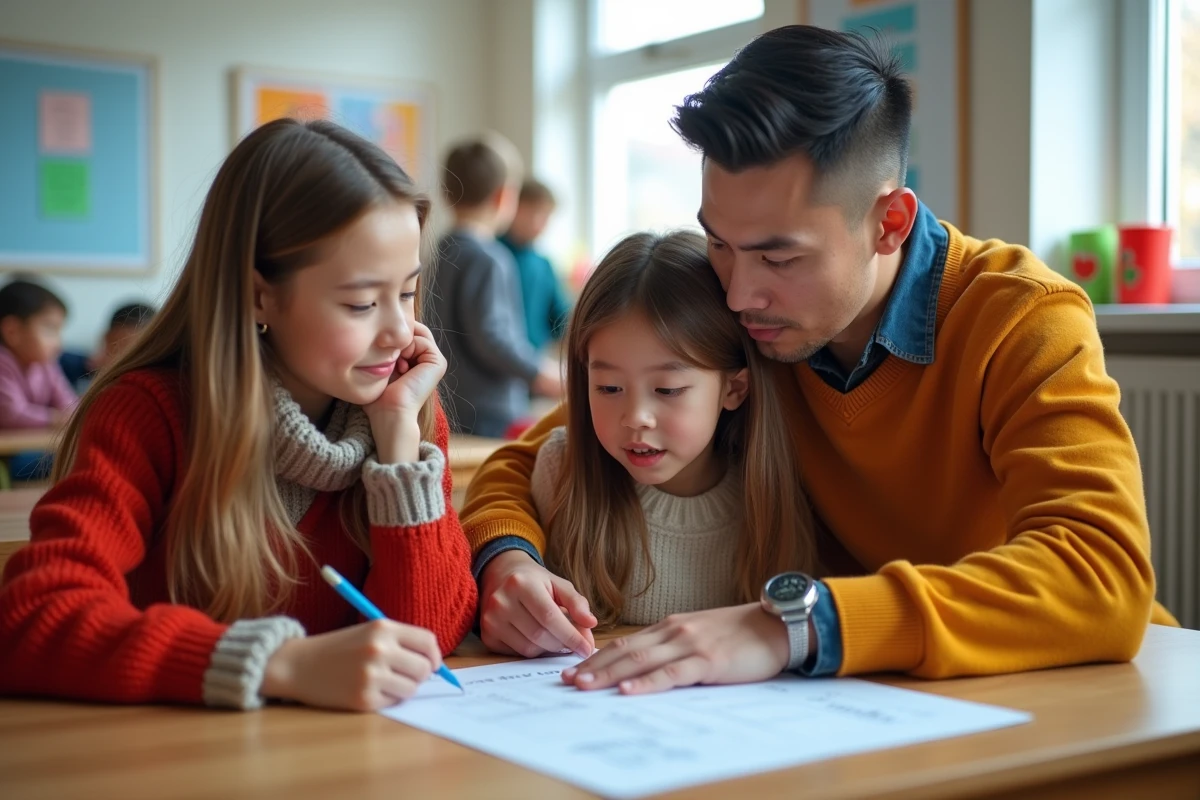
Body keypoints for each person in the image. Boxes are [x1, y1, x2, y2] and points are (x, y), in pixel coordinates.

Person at [462, 25, 1175, 695]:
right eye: (719, 242)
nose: (739, 291)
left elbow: (1100, 577)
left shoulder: (1019, 318)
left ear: (889, 223)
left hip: (1068, 682)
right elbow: (540, 454)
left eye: (779, 255)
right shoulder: (757, 316)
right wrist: (508, 561)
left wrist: (797, 623)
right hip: (871, 694)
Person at [0, 119, 477, 712]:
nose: (401, 331)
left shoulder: (403, 414)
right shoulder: (149, 415)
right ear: (259, 296)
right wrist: (278, 663)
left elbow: (425, 642)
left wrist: (400, 448)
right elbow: (33, 617)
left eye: (406, 293)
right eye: (360, 302)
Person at [490, 230, 819, 659]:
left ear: (734, 389)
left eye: (667, 389)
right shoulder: (560, 471)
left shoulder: (774, 492)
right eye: (607, 387)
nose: (635, 417)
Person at [428, 136, 561, 438]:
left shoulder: (439, 251)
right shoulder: (489, 258)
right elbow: (492, 336)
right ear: (504, 197)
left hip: (447, 404)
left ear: (447, 195)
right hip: (489, 410)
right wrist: (539, 372)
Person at [499, 179, 572, 352]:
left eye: (548, 217)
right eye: (539, 214)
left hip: (534, 362)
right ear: (516, 209)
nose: (543, 225)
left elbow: (560, 317)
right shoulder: (494, 255)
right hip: (498, 364)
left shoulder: (543, 265)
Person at [0, 278, 77, 430]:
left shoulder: (46, 365)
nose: (58, 343)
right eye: (50, 329)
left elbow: (69, 403)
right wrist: (55, 419)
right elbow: (11, 414)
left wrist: (75, 414)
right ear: (12, 332)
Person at [60, 301, 157, 392]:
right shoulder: (67, 364)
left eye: (139, 353)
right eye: (119, 348)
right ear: (106, 338)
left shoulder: (144, 384)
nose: (127, 361)